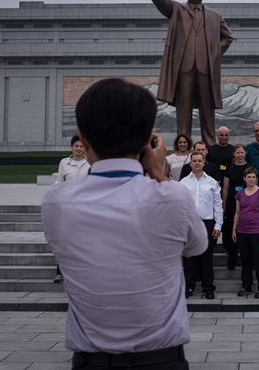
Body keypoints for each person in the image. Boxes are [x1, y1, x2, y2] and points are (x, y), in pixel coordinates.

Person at [42, 78, 207, 370]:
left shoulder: (57, 203)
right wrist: (157, 173)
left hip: (92, 361)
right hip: (162, 359)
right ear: (149, 140)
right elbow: (198, 246)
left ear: (84, 137)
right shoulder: (172, 196)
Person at [142, 0, 233, 146]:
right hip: (184, 68)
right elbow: (162, 2)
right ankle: (183, 143)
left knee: (207, 109)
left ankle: (210, 144)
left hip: (206, 69)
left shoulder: (215, 16)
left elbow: (228, 37)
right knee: (183, 109)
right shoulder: (177, 10)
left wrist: (213, 54)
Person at [180, 152, 223, 300]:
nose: (197, 163)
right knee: (189, 257)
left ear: (204, 163)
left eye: (200, 161)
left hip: (207, 223)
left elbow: (218, 205)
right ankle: (189, 286)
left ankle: (208, 287)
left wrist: (218, 225)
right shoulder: (183, 183)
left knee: (207, 257)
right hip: (189, 223)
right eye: (194, 161)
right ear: (190, 163)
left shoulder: (212, 182)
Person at [52, 135, 91, 283]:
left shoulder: (89, 164)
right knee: (65, 240)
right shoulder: (64, 163)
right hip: (67, 207)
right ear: (71, 147)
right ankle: (60, 272)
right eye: (76, 146)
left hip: (85, 207)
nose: (79, 149)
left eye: (82, 146)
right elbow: (59, 182)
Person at [232, 167, 259, 299]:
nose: (251, 179)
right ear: (244, 179)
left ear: (256, 178)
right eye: (249, 177)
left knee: (258, 259)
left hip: (256, 231)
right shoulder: (240, 194)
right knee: (245, 260)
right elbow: (237, 213)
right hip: (242, 231)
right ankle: (246, 286)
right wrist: (234, 230)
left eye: (253, 177)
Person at [221, 144, 251, 270]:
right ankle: (232, 257)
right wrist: (223, 204)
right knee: (228, 233)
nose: (240, 155)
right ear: (234, 154)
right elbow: (226, 188)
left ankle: (248, 260)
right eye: (237, 153)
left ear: (245, 153)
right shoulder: (230, 168)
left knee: (245, 232)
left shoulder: (249, 168)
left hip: (247, 204)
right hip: (232, 203)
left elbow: (254, 186)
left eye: (242, 152)